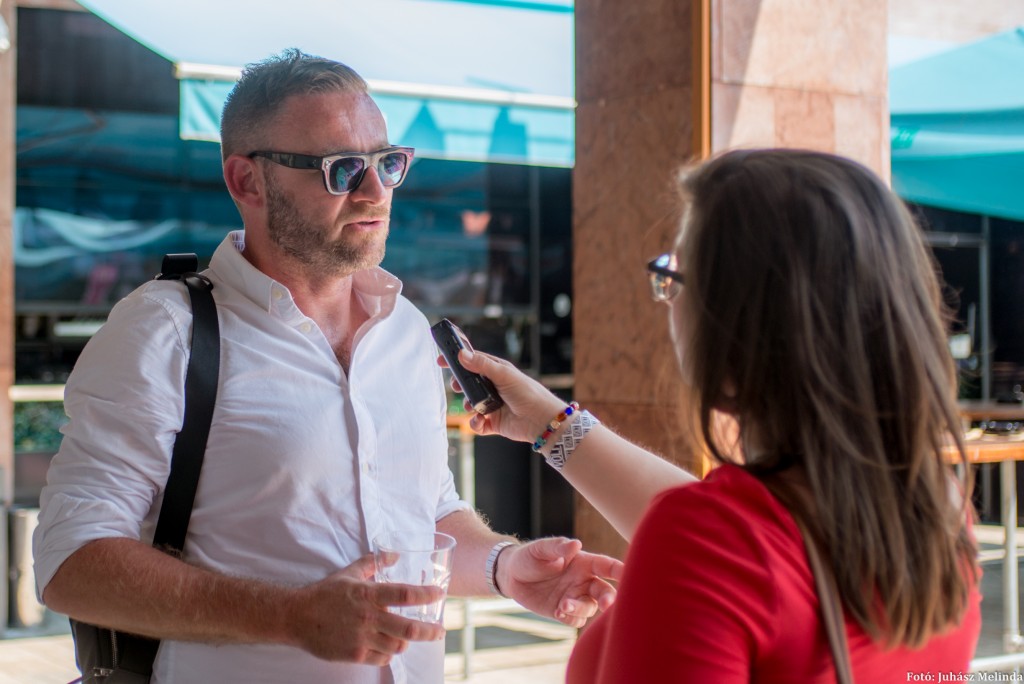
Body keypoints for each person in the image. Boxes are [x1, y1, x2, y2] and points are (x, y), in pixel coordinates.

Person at [32, 49, 622, 684]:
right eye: (342, 169)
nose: (376, 192)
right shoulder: (166, 331)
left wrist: (506, 567)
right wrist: (290, 617)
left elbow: (423, 513)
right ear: (247, 181)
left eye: (387, 163)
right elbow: (72, 560)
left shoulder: (404, 330)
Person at [451, 148, 983, 682]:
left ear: (736, 323)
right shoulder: (937, 511)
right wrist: (549, 424)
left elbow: (719, 547)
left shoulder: (708, 544)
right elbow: (741, 540)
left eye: (675, 277)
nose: (667, 301)